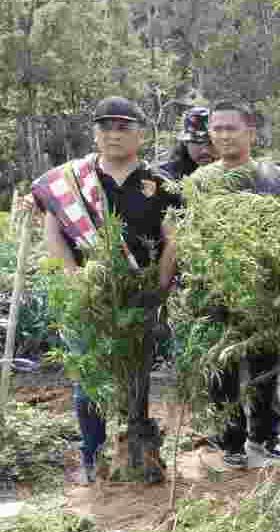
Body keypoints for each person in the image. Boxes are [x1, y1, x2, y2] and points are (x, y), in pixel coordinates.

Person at [32, 96, 181, 484]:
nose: (113, 135)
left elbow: (173, 239)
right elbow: (54, 233)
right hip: (89, 297)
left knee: (138, 376)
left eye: (123, 127)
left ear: (140, 134)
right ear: (95, 133)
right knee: (89, 381)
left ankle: (138, 453)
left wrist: (160, 288)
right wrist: (75, 280)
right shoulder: (68, 182)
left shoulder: (161, 183)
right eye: (105, 127)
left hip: (141, 295)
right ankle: (93, 456)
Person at [192, 100, 280, 469]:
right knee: (223, 368)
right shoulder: (200, 182)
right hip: (217, 289)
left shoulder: (275, 178)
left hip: (264, 290)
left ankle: (266, 436)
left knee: (265, 365)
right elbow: (189, 237)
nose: (222, 135)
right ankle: (229, 440)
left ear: (250, 132)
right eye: (216, 129)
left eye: (230, 128)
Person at [154, 107, 214, 181]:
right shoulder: (165, 176)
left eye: (211, 143)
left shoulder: (230, 172)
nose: (205, 150)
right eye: (197, 142)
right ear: (185, 142)